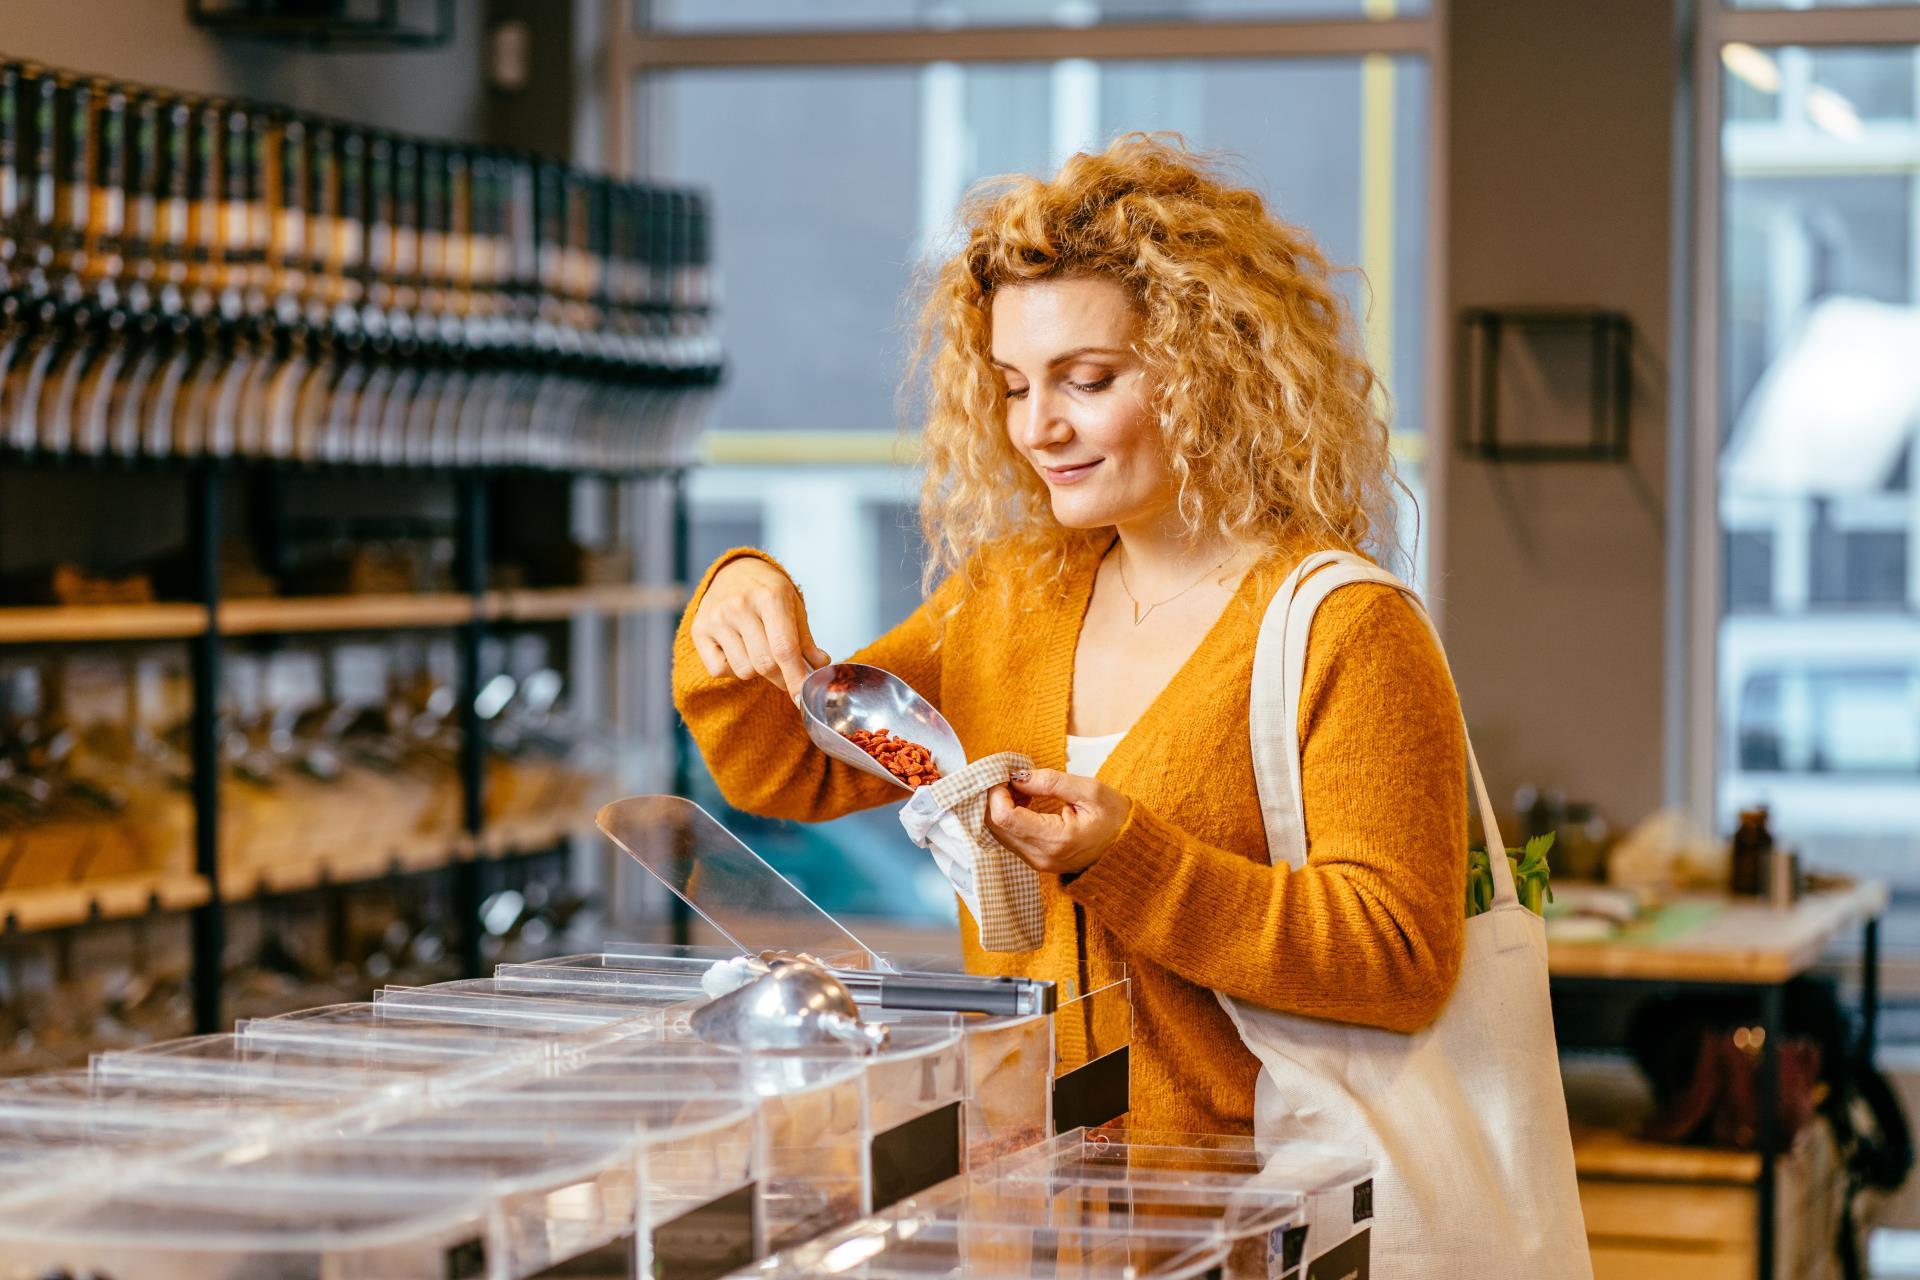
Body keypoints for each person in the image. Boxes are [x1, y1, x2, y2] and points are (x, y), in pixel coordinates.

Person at [673, 133, 1465, 1139]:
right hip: (1032, 1193)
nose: (1037, 426)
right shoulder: (1011, 597)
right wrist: (737, 600)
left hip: (1255, 1210)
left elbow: (1399, 959)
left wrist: (1129, 856)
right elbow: (791, 767)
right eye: (1013, 385)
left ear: (1214, 369)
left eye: (1085, 379)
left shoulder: (1344, 626)